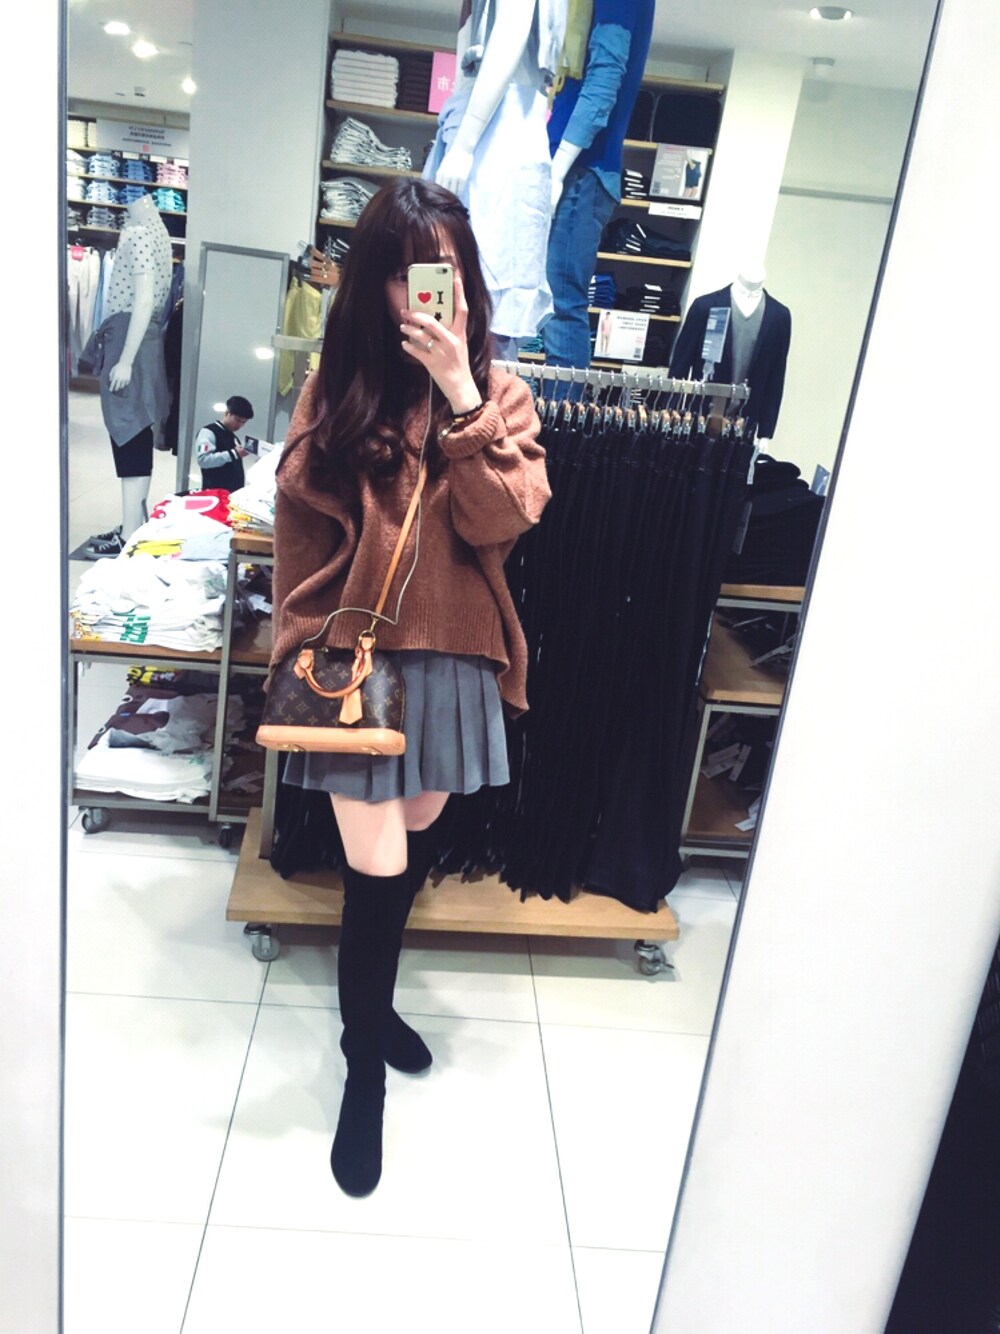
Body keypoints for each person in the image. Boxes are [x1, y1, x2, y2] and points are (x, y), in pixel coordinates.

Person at [269, 177, 551, 1198]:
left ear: (467, 280)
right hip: (359, 663)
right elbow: (302, 527)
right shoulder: (338, 385)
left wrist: (462, 398)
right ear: (373, 284)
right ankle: (361, 1069)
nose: (425, 292)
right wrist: (299, 637)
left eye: (444, 271)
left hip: (454, 659)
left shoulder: (501, 393)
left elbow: (502, 520)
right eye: (404, 272)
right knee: (378, 861)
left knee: (414, 835)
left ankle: (374, 1004)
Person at [194, 395, 254, 492]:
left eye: (244, 422)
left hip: (233, 494)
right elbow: (203, 460)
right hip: (215, 493)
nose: (240, 425)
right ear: (227, 413)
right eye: (238, 420)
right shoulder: (208, 432)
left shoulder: (234, 438)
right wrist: (234, 453)